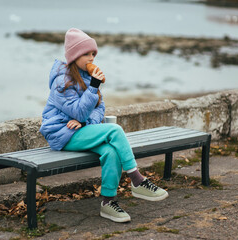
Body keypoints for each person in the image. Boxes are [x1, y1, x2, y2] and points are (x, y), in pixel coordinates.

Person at [40, 28, 168, 223]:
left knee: (111, 151)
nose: (91, 58)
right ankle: (137, 179)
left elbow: (99, 109)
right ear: (74, 56)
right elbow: (78, 111)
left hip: (80, 130)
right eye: (86, 54)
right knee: (115, 130)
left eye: (93, 54)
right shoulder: (62, 80)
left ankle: (108, 203)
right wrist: (92, 92)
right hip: (62, 134)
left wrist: (85, 120)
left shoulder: (89, 76)